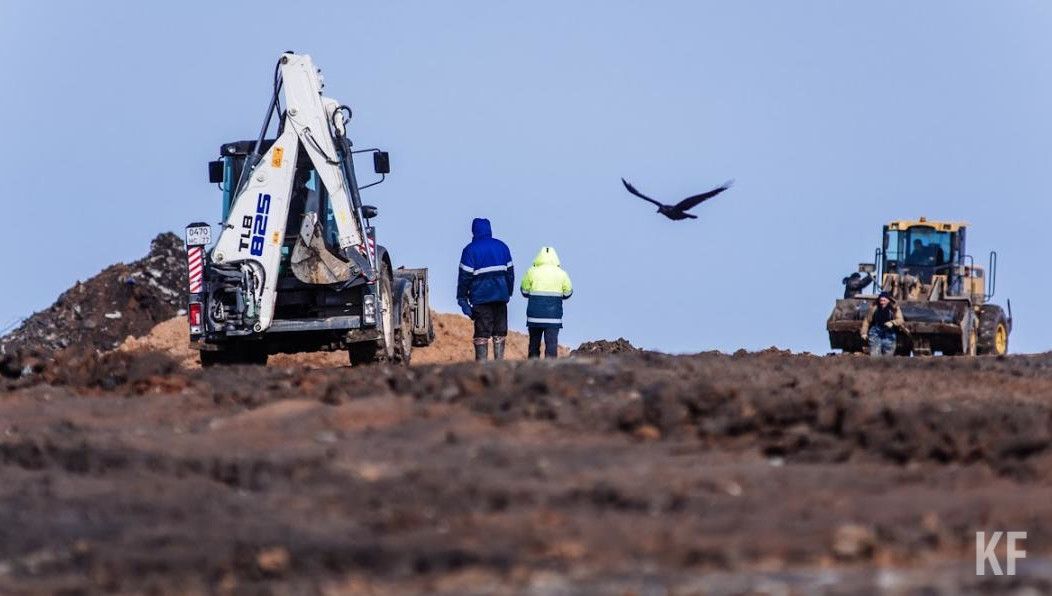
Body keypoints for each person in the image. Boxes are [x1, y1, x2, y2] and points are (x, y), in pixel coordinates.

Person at [457, 218, 514, 361]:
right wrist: (508, 292)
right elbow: (510, 274)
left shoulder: (470, 250)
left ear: (473, 231)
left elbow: (464, 278)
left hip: (480, 301)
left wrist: (462, 300)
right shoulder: (502, 247)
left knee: (482, 335)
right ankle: (499, 366)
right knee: (500, 333)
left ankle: (482, 368)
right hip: (501, 298)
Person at [520, 246, 573, 359]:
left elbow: (524, 291)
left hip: (534, 317)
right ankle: (549, 371)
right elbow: (568, 293)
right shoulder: (562, 274)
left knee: (534, 345)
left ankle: (531, 370)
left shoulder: (531, 271)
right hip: (553, 318)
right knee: (551, 346)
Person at [860, 291, 905, 357]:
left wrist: (892, 322)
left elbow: (901, 320)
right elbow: (867, 320)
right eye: (881, 300)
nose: (882, 302)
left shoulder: (894, 308)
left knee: (888, 354)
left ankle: (885, 366)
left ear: (888, 300)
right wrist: (863, 333)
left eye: (884, 300)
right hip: (875, 331)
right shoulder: (873, 308)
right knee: (875, 354)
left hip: (889, 332)